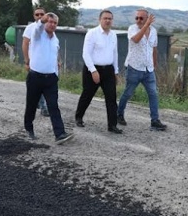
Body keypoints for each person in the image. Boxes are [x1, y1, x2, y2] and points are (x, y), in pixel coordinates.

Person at [22, 12, 73, 144]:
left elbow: (55, 56)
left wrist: (56, 72)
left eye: (55, 23)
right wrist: (41, 21)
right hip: (35, 77)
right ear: (46, 22)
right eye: (50, 22)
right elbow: (38, 28)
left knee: (53, 106)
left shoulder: (55, 39)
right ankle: (28, 128)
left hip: (50, 79)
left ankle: (60, 134)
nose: (52, 24)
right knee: (32, 105)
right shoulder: (38, 34)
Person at [117, 9, 167, 131]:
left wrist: (154, 65)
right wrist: (145, 26)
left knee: (153, 94)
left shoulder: (154, 31)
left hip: (148, 69)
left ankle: (155, 121)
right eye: (137, 18)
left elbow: (154, 48)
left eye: (141, 18)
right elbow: (136, 40)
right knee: (128, 93)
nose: (138, 20)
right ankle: (119, 114)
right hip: (134, 67)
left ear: (147, 18)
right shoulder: (132, 29)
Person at [75, 9, 122, 134]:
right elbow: (86, 54)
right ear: (99, 20)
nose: (107, 20)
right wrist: (93, 71)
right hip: (93, 69)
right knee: (87, 95)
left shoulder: (113, 35)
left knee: (111, 98)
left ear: (112, 20)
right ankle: (78, 117)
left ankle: (112, 125)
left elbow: (115, 54)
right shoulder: (92, 33)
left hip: (108, 70)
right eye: (105, 18)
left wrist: (116, 72)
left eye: (110, 18)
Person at [32, 8, 49, 117]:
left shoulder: (50, 29)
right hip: (35, 63)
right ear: (34, 16)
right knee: (37, 87)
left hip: (47, 64)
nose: (39, 16)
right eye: (37, 14)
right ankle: (43, 106)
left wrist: (58, 60)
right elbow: (25, 43)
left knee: (44, 87)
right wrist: (26, 60)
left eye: (41, 14)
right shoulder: (32, 28)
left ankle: (42, 106)